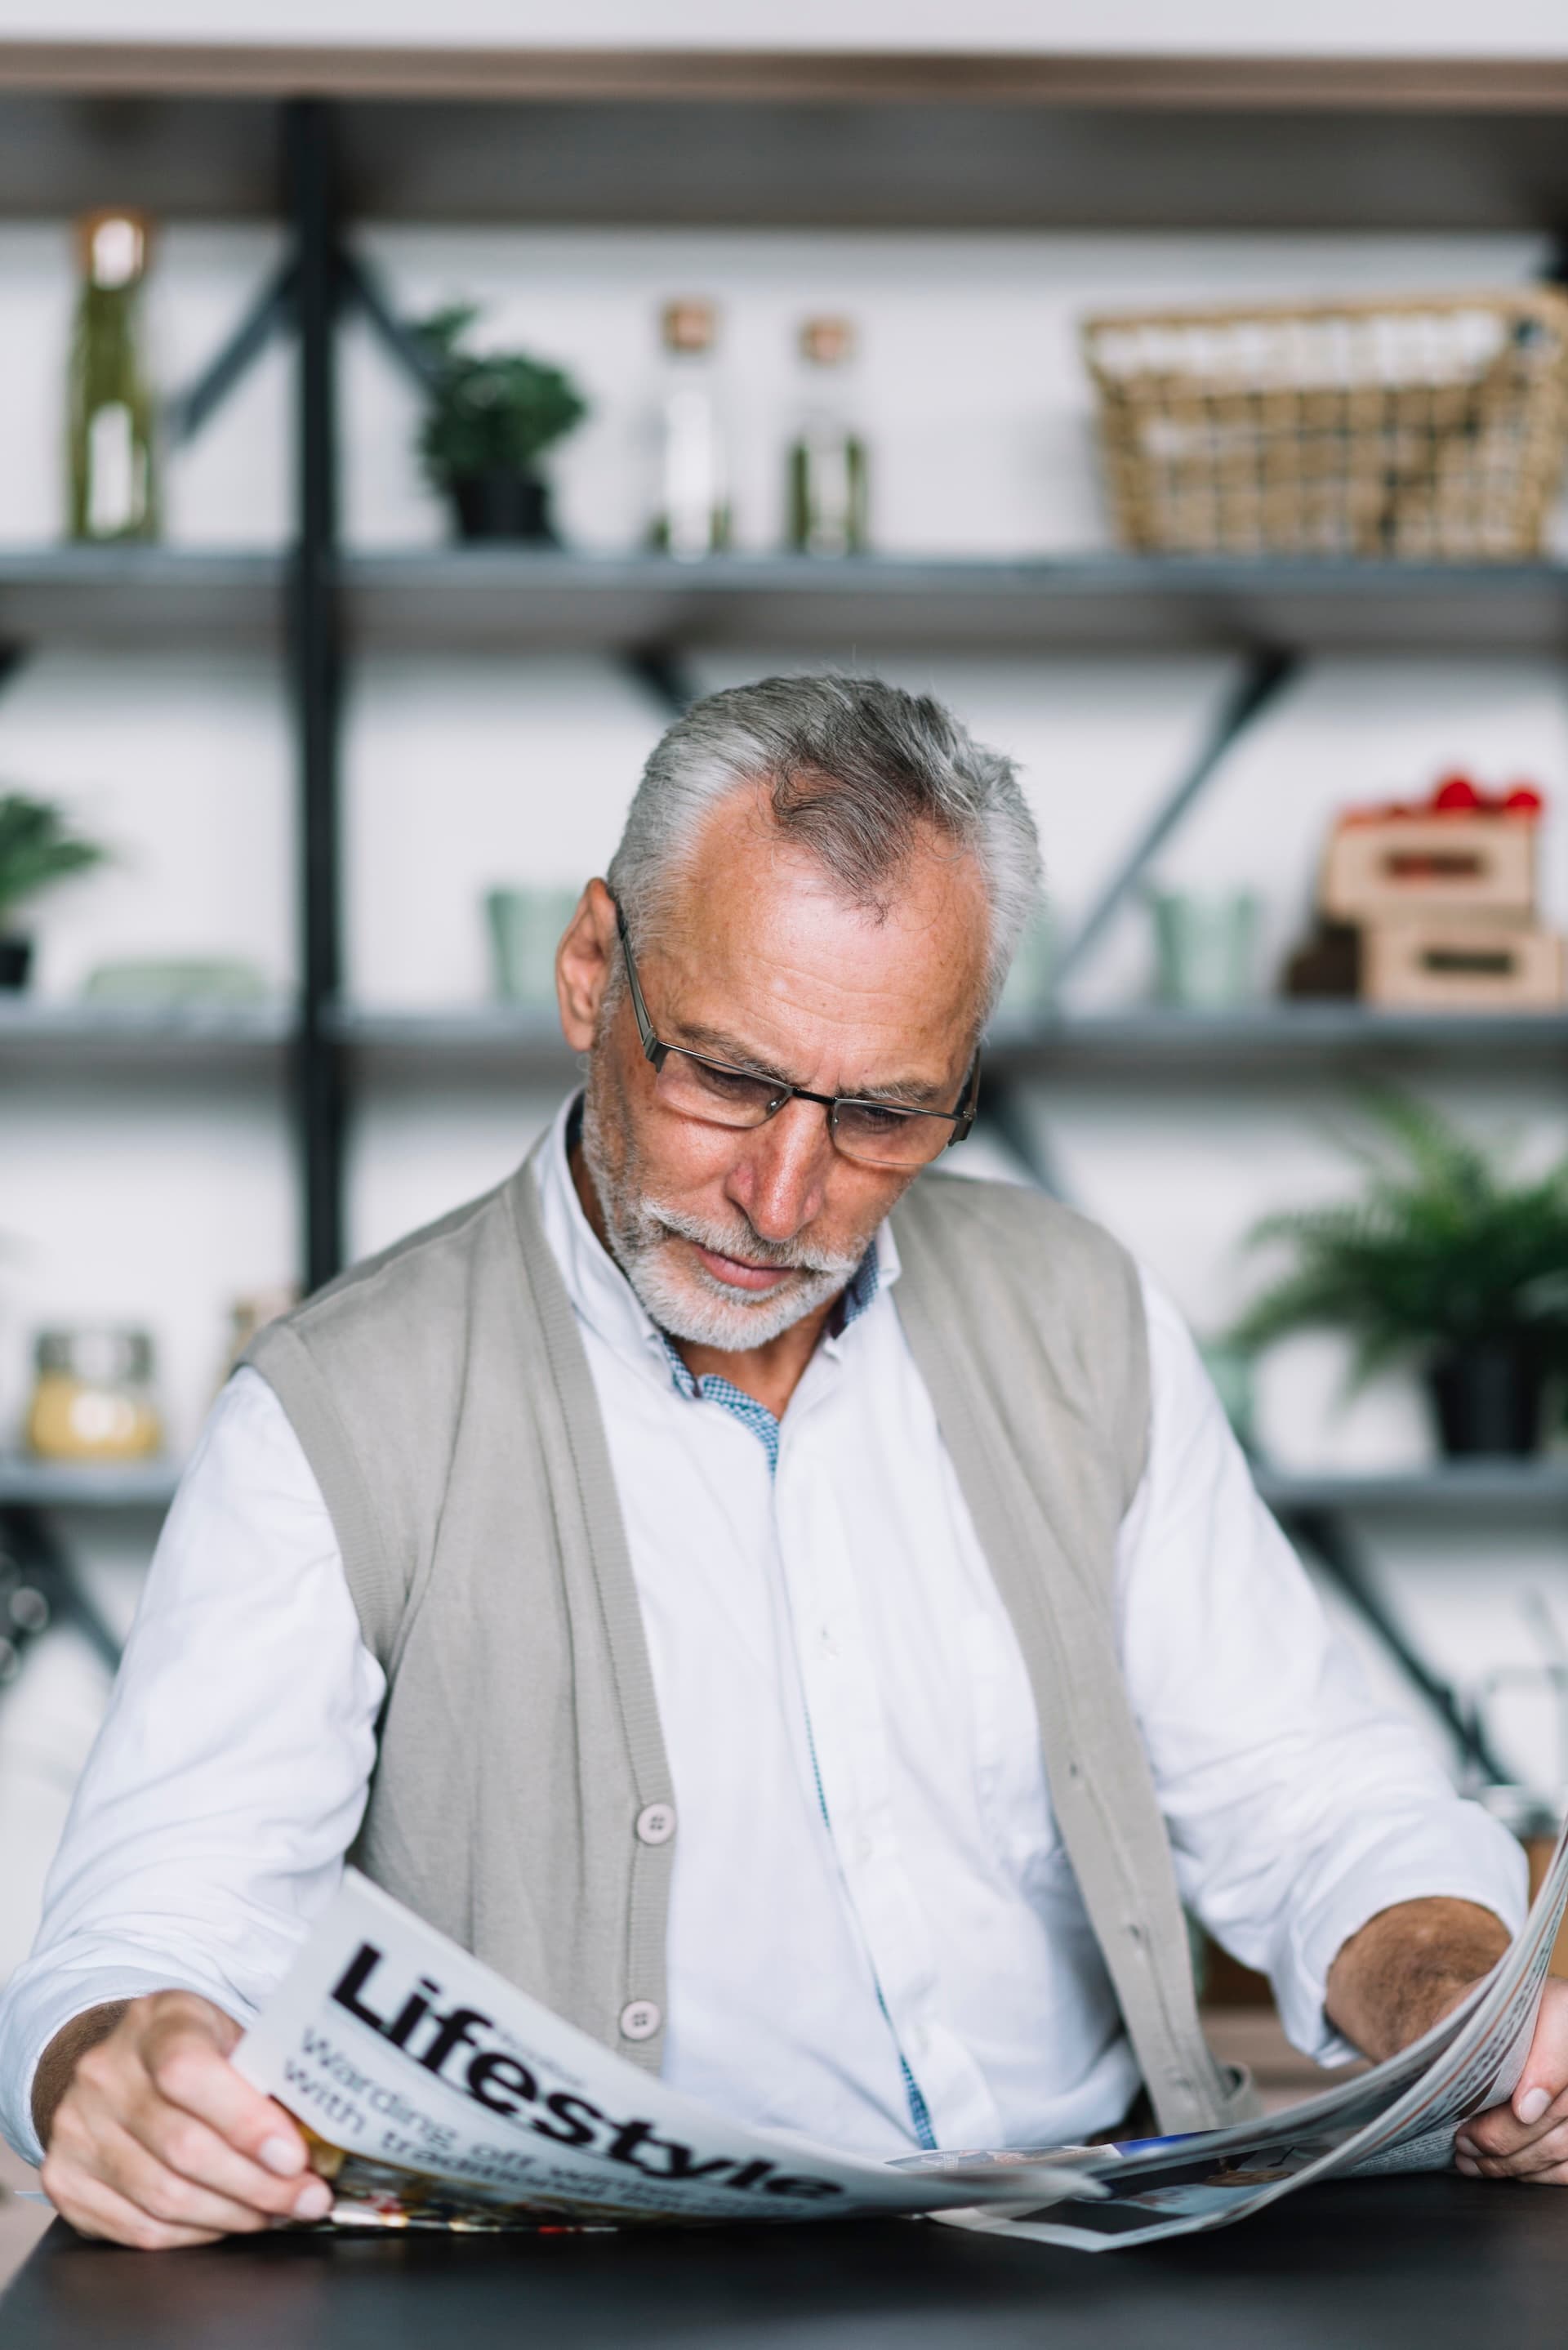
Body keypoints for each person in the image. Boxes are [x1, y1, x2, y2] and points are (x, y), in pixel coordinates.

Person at [2, 675, 1562, 2250]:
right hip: (595, 2297)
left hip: (1081, 2264)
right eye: (729, 1078)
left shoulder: (1081, 1314)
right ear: (591, 970)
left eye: (885, 1114)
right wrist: (120, 2077)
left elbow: (1305, 1793)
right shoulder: (337, 1407)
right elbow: (150, 1926)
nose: (782, 1190)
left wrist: (1466, 2007)